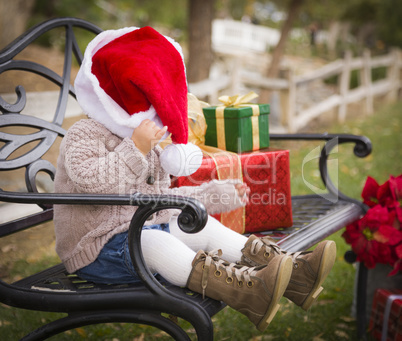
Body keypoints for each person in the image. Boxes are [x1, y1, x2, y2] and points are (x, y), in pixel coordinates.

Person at [54, 26, 336, 332]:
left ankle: (296, 275)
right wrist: (135, 148)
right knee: (157, 242)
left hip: (141, 231)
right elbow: (90, 183)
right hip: (97, 251)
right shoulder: (84, 135)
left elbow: (161, 205)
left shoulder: (147, 142)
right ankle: (250, 293)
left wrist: (209, 195)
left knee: (201, 226)